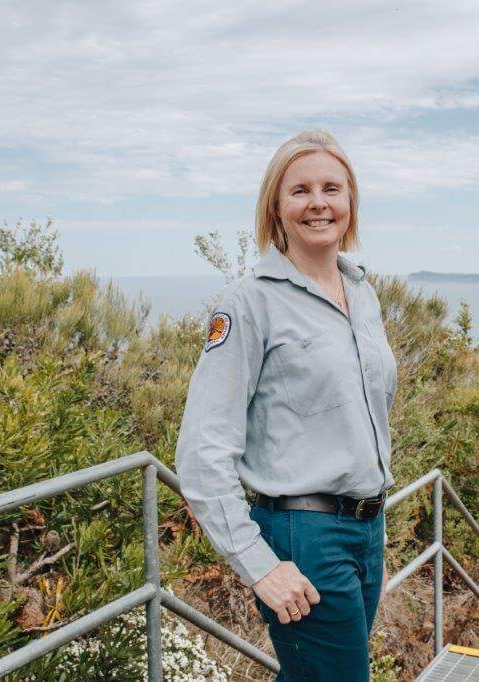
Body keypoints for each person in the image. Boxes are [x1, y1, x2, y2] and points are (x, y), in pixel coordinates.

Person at [175, 129, 398, 681]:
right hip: (303, 537)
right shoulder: (250, 303)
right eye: (300, 190)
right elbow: (203, 451)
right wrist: (259, 566)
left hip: (367, 531)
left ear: (351, 203)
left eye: (332, 188)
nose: (318, 203)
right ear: (276, 207)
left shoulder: (362, 293)